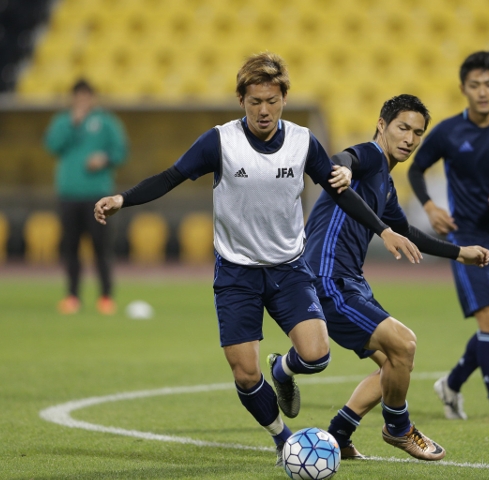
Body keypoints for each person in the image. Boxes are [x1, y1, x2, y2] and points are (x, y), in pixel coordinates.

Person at [93, 53, 421, 466]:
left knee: (317, 356)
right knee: (246, 375)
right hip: (236, 274)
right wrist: (123, 198)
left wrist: (384, 229)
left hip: (289, 268)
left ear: (284, 98)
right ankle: (282, 439)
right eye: (254, 102)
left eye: (271, 100)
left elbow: (340, 189)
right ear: (241, 101)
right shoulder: (219, 141)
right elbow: (170, 177)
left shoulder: (303, 142)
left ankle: (283, 369)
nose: (263, 110)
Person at [299, 94, 489, 461]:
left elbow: (406, 231)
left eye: (418, 133)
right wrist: (343, 169)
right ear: (383, 125)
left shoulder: (385, 184)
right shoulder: (370, 156)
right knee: (405, 344)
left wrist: (459, 252)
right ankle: (398, 428)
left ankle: (338, 433)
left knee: (394, 364)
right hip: (328, 279)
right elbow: (345, 158)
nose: (410, 138)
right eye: (403, 128)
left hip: (351, 282)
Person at [408, 51, 489, 424]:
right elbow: (417, 169)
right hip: (466, 240)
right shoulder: (449, 131)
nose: (482, 92)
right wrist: (431, 207)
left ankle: (450, 384)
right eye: (474, 85)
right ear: (463, 88)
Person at [44, 79, 128, 315]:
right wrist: (73, 124)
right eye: (78, 97)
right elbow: (51, 145)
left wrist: (105, 158)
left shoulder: (107, 122)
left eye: (86, 97)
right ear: (72, 99)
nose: (82, 101)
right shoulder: (62, 121)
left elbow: (121, 150)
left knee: (101, 247)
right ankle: (72, 296)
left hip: (98, 195)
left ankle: (106, 297)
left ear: (92, 98)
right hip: (68, 194)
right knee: (70, 248)